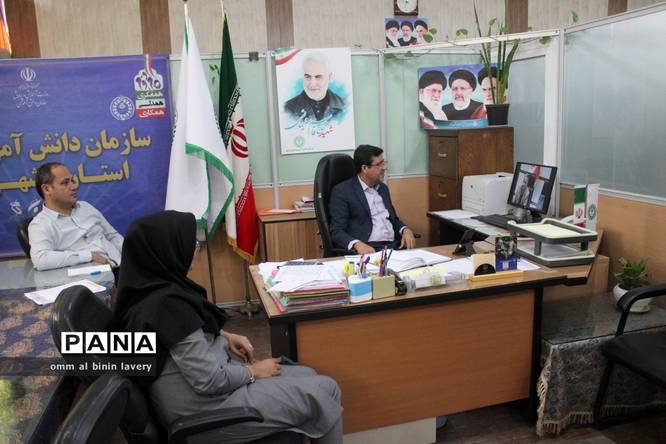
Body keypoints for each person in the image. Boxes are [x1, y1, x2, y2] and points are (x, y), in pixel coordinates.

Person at [114, 211, 343, 443]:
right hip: (209, 410)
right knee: (325, 390)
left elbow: (180, 336)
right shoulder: (167, 307)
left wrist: (223, 335)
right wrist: (254, 371)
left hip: (213, 389)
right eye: (191, 243)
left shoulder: (150, 293)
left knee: (309, 376)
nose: (196, 251)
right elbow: (209, 380)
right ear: (167, 250)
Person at [28, 162, 123, 271]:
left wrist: (131, 253)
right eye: (65, 183)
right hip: (97, 276)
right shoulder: (40, 224)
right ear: (47, 189)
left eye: (72, 181)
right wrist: (89, 256)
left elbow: (112, 236)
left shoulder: (86, 207)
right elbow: (41, 260)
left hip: (123, 266)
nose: (73, 187)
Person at [329, 145, 416, 255]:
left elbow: (393, 219)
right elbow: (337, 231)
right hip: (369, 249)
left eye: (383, 163)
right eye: (379, 164)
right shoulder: (343, 191)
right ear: (365, 168)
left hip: (394, 247)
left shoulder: (383, 188)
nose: (384, 168)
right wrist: (357, 244)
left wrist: (405, 229)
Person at [284, 53, 346, 123]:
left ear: (329, 77)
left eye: (318, 77)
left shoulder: (345, 107)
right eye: (308, 77)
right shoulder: (287, 109)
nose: (312, 84)